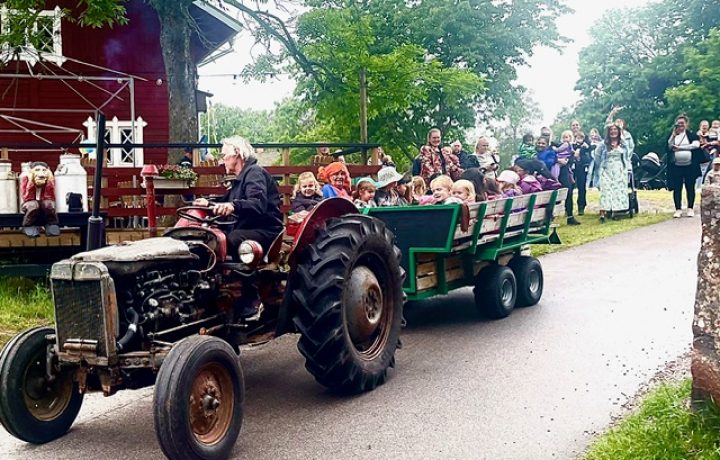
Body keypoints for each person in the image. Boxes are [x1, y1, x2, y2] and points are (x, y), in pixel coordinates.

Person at [193, 136, 283, 318]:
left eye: (224, 155)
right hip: (248, 229)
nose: (221, 160)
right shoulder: (239, 180)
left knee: (232, 239)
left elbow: (256, 203)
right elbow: (227, 199)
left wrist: (233, 206)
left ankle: (252, 299)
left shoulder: (254, 173)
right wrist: (209, 203)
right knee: (205, 241)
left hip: (266, 231)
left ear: (237, 154)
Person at [666, 114, 704, 218]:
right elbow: (669, 146)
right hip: (676, 166)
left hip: (690, 166)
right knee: (677, 187)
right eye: (679, 123)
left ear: (686, 124)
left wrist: (680, 148)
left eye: (682, 123)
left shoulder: (691, 135)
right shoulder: (672, 135)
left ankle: (690, 208)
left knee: (690, 187)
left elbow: (695, 145)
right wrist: (674, 135)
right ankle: (678, 209)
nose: (681, 125)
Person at [594, 124, 629, 223]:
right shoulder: (603, 144)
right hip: (606, 169)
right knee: (605, 190)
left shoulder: (623, 144)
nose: (613, 131)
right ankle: (602, 213)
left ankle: (615, 211)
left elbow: (627, 157)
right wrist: (601, 167)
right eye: (611, 130)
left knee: (617, 190)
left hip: (619, 169)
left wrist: (627, 169)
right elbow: (597, 156)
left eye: (615, 129)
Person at [573, 131, 593, 215]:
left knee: (582, 187)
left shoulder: (586, 146)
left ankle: (581, 206)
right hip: (573, 168)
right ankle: (568, 208)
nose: (579, 139)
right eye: (577, 137)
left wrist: (582, 149)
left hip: (582, 168)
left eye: (581, 137)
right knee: (570, 188)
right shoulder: (571, 146)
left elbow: (590, 151)